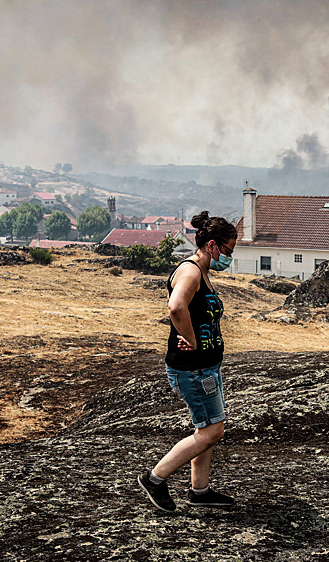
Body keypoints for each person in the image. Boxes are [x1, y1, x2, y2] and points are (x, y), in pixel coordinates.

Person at [137, 211, 238, 512]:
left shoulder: (203, 271)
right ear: (211, 246)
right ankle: (154, 478)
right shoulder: (192, 272)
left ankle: (200, 490)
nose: (229, 257)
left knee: (206, 428)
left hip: (205, 367)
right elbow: (176, 306)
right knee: (213, 431)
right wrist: (192, 341)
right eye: (228, 251)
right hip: (191, 368)